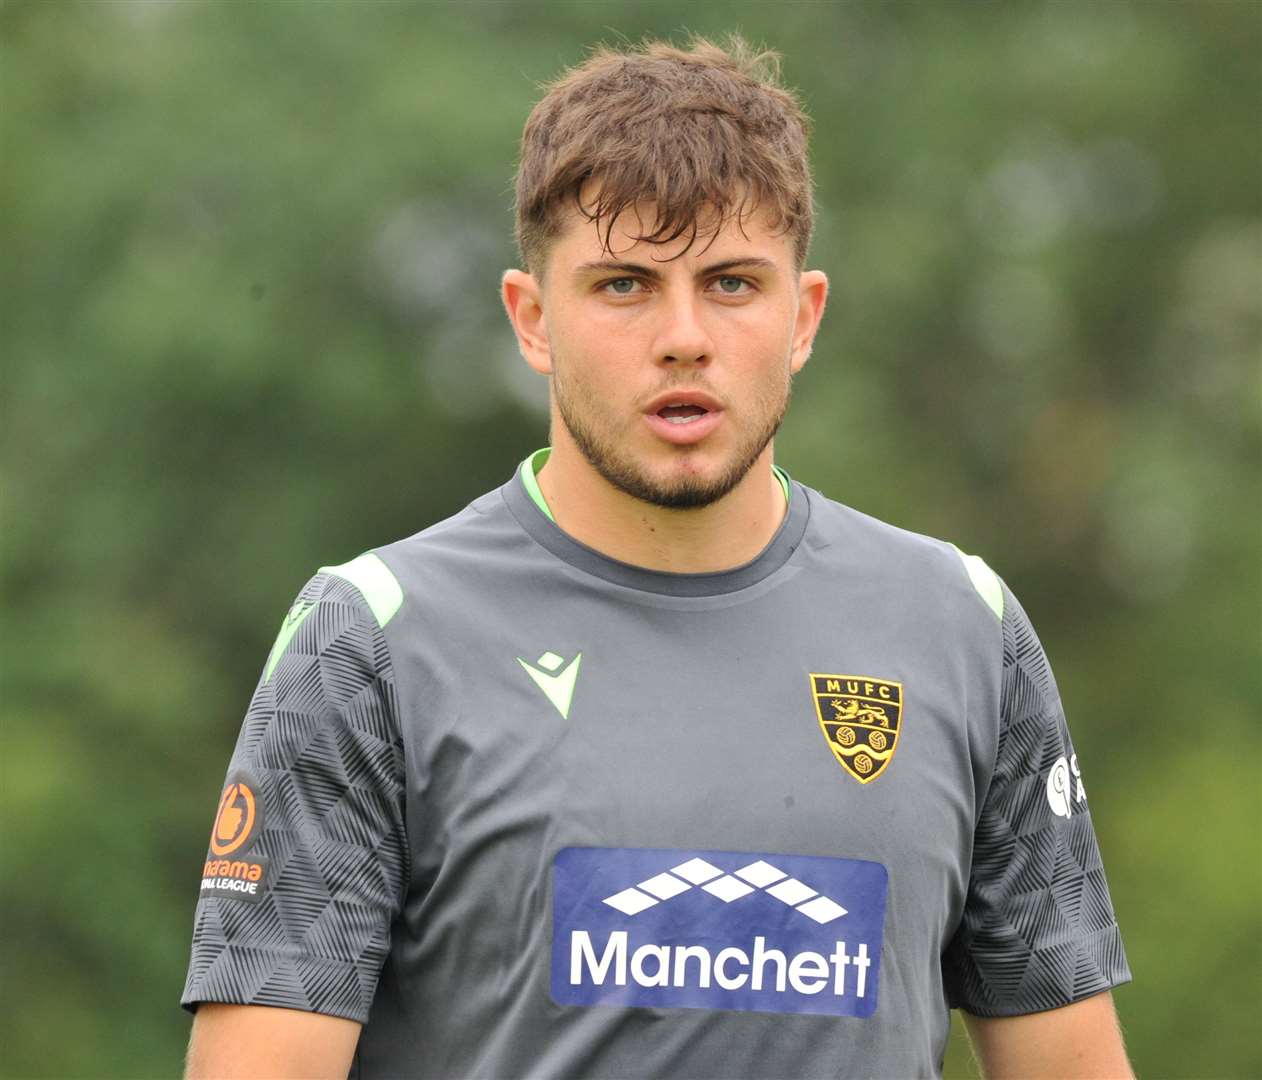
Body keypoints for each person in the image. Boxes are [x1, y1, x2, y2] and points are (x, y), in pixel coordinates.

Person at [181, 35, 1133, 1079]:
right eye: (624, 285)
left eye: (730, 283)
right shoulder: (371, 639)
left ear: (802, 316)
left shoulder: (962, 626)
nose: (682, 336)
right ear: (532, 319)